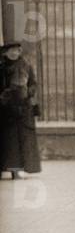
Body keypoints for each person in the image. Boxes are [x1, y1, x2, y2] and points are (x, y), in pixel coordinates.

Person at [0, 42, 41, 178]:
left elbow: (33, 83)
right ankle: (12, 170)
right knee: (10, 141)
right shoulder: (2, 66)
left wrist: (29, 93)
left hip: (24, 108)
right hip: (6, 109)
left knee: (24, 140)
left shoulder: (26, 65)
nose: (14, 53)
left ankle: (23, 168)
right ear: (5, 52)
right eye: (11, 50)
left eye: (17, 50)